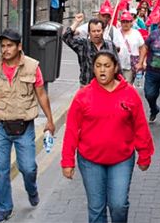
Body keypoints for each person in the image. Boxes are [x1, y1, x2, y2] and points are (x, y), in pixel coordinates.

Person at [0, 29, 55, 223]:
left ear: (19, 47)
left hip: (24, 126)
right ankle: (5, 208)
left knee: (28, 167)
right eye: (3, 46)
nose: (5, 50)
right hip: (0, 125)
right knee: (0, 169)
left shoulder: (32, 67)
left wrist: (50, 121)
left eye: (9, 45)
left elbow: (41, 95)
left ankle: (32, 189)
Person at [61, 51, 154, 223]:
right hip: (90, 160)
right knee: (96, 208)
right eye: (98, 66)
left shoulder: (129, 94)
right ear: (94, 69)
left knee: (119, 205)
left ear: (116, 68)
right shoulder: (83, 96)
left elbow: (140, 126)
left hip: (122, 159)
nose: (102, 70)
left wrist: (144, 154)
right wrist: (67, 161)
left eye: (107, 66)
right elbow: (72, 130)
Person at [63, 13, 120, 87]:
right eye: (93, 31)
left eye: (98, 31)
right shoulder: (82, 45)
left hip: (106, 86)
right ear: (89, 33)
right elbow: (66, 37)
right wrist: (76, 22)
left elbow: (117, 65)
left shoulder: (110, 45)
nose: (96, 33)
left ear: (102, 31)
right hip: (87, 86)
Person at [118, 11, 145, 83]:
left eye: (127, 21)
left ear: (131, 22)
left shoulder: (136, 33)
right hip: (118, 66)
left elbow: (143, 48)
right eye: (123, 21)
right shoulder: (116, 33)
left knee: (127, 87)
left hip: (131, 66)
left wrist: (141, 62)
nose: (125, 24)